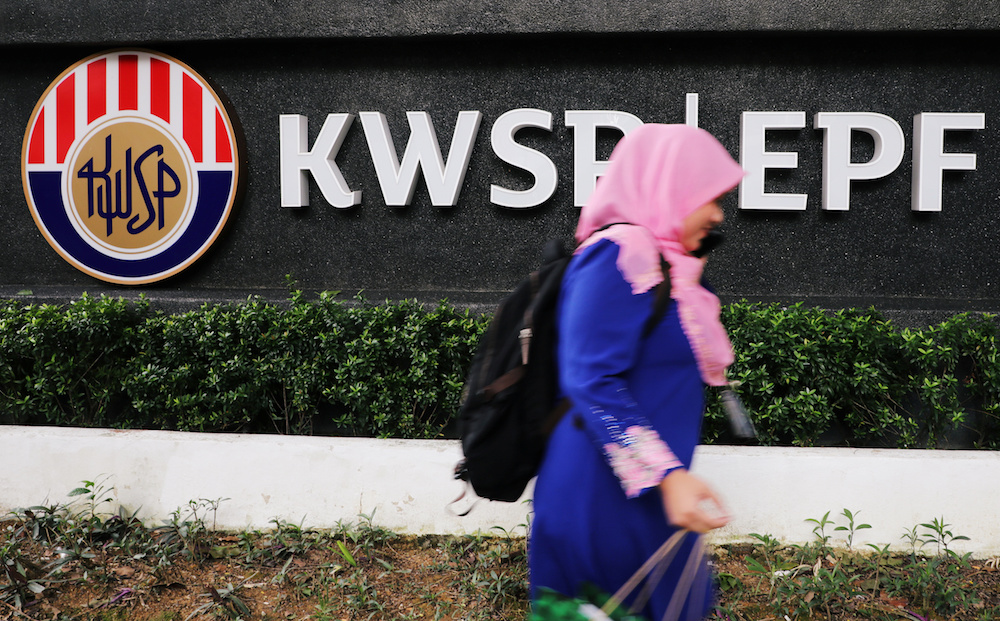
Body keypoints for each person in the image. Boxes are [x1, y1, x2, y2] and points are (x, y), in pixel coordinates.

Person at [529, 123, 744, 620]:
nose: (717, 214)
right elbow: (589, 379)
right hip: (597, 496)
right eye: (708, 197)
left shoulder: (674, 270)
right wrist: (669, 477)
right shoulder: (617, 256)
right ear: (667, 187)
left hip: (646, 493)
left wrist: (671, 479)